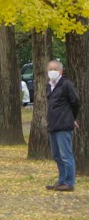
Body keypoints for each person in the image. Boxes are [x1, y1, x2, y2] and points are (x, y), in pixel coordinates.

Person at [45, 59, 80, 192]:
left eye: (55, 69)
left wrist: (72, 118)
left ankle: (69, 182)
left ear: (61, 71)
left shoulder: (66, 85)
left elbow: (75, 101)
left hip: (64, 124)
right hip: (53, 124)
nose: (52, 72)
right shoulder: (49, 86)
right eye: (50, 69)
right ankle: (61, 181)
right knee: (57, 155)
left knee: (66, 155)